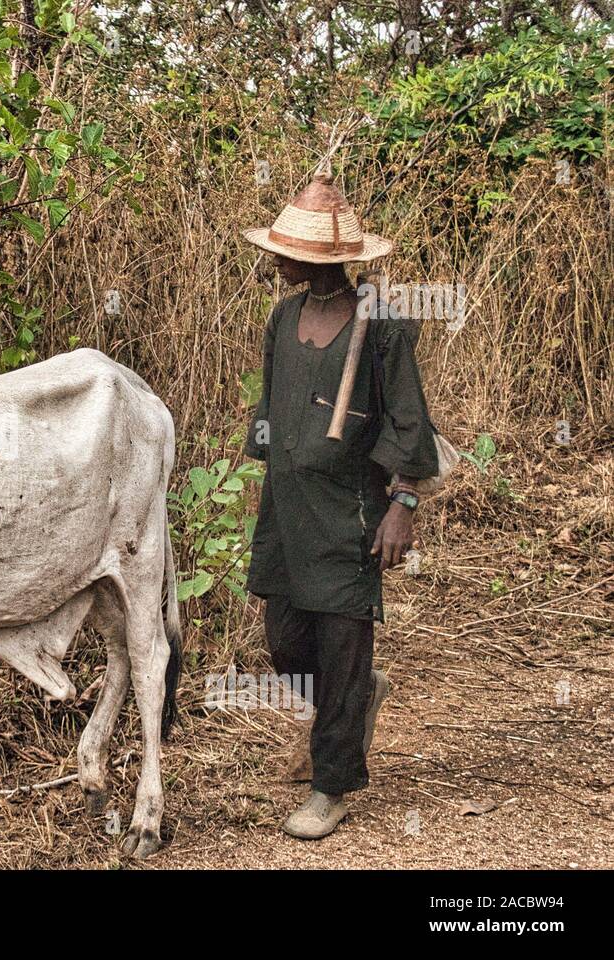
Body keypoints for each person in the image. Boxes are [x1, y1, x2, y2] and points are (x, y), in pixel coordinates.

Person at [240, 169, 440, 839]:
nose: (274, 260)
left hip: (351, 512)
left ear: (314, 260)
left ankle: (331, 786)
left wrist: (402, 502)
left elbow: (409, 420)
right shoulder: (284, 318)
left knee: (341, 646)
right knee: (287, 645)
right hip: (287, 509)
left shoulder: (380, 326)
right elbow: (272, 410)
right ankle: (353, 703)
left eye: (284, 253)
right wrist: (275, 464)